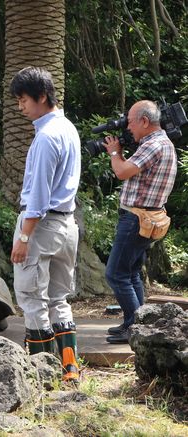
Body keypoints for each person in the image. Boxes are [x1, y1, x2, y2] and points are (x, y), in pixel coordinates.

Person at [9, 67, 81, 382]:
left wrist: (24, 236)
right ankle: (69, 368)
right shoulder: (67, 128)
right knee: (58, 298)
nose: (20, 107)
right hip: (67, 224)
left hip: (41, 225)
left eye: (23, 100)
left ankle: (40, 373)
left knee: (31, 297)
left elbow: (38, 195)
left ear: (41, 97)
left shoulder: (46, 137)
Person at [102, 100, 177, 344]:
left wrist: (114, 152)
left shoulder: (154, 145)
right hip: (146, 217)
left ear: (145, 121)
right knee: (131, 272)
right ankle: (136, 323)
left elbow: (122, 172)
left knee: (116, 274)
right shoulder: (161, 143)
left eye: (130, 122)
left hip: (137, 218)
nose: (128, 127)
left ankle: (134, 328)